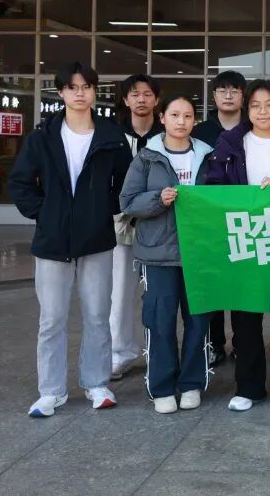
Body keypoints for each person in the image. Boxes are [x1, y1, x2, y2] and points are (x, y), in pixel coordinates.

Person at [9, 62, 132, 417]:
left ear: (95, 92)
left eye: (86, 86)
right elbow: (20, 182)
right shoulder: (42, 137)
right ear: (61, 92)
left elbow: (126, 184)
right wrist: (45, 213)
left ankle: (97, 383)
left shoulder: (111, 137)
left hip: (97, 239)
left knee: (97, 315)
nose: (80, 93)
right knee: (51, 319)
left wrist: (102, 210)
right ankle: (51, 391)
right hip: (52, 240)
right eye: (72, 87)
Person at [204, 79, 270, 412]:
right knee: (245, 317)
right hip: (244, 238)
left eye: (269, 104)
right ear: (247, 109)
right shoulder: (230, 142)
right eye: (255, 106)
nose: (263, 112)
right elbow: (214, 185)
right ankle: (248, 387)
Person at [119, 95, 213, 414]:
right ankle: (161, 387)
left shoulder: (207, 156)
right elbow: (128, 201)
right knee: (159, 321)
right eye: (174, 115)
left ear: (194, 120)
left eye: (187, 115)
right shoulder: (147, 157)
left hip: (199, 253)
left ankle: (191, 384)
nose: (181, 121)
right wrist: (158, 199)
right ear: (163, 118)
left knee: (198, 322)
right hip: (157, 254)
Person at [192, 70, 247, 368]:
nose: (228, 95)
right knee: (212, 281)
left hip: (243, 218)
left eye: (234, 90)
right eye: (222, 90)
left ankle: (241, 343)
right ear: (213, 96)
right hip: (209, 219)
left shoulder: (252, 128)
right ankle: (213, 343)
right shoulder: (200, 132)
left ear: (242, 96)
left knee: (240, 282)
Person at [110, 73, 163, 381]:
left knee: (160, 293)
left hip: (161, 222)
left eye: (147, 94)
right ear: (126, 100)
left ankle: (161, 352)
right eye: (134, 94)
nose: (141, 99)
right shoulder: (113, 136)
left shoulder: (166, 135)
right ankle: (120, 353)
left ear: (156, 100)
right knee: (120, 290)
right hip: (122, 223)